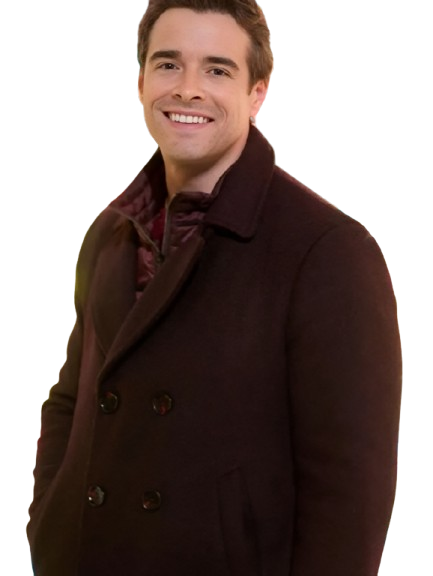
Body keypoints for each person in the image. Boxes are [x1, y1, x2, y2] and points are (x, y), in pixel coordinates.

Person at [27, 1, 402, 575]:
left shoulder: (328, 251)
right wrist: (48, 525)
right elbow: (72, 398)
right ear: (141, 81)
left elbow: (349, 496)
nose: (189, 89)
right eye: (168, 64)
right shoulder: (111, 231)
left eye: (218, 70)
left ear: (257, 93)